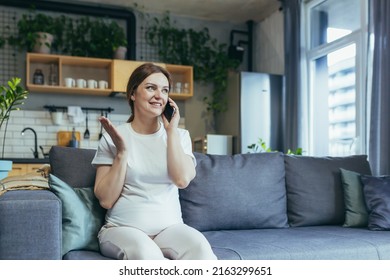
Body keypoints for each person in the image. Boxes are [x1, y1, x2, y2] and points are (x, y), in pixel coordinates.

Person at [92, 63, 217, 260]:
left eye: (165, 90)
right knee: (147, 254)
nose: (159, 95)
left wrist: (171, 132)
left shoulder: (180, 136)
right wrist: (122, 154)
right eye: (151, 88)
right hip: (122, 229)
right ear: (133, 94)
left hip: (169, 229)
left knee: (200, 249)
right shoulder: (113, 137)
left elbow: (182, 180)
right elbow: (106, 200)